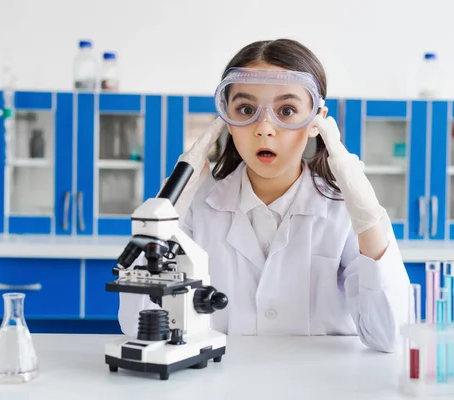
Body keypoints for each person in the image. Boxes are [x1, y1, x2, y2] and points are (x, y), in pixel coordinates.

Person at [118, 38, 411, 353]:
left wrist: (367, 214)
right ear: (228, 121)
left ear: (316, 122)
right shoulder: (196, 208)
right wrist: (169, 207)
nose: (264, 128)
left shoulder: (345, 211)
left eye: (287, 110)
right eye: (246, 109)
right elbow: (138, 324)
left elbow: (390, 335)